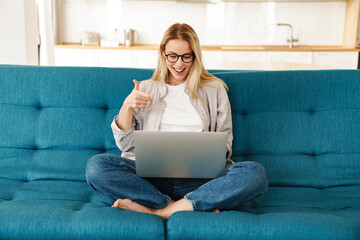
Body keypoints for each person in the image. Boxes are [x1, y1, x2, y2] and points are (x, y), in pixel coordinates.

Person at [86, 23, 268, 219]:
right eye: (172, 56)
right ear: (163, 53)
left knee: (255, 174)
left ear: (195, 56)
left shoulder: (215, 89)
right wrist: (126, 107)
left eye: (186, 57)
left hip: (202, 180)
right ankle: (189, 205)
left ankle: (160, 211)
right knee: (96, 166)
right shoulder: (146, 88)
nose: (179, 64)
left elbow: (225, 145)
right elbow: (126, 146)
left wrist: (204, 155)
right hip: (151, 180)